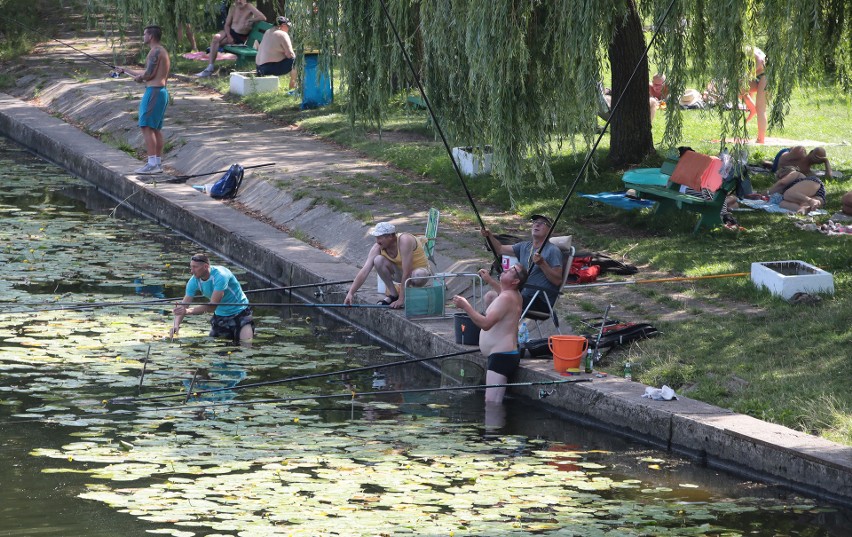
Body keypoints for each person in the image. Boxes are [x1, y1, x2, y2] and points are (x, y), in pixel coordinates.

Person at [451, 263, 528, 404]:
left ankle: (494, 427)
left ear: (515, 281)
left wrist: (466, 306)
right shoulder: (513, 295)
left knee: (492, 403)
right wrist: (490, 281)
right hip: (503, 355)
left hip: (502, 358)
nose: (506, 269)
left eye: (512, 270)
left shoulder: (506, 298)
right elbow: (503, 292)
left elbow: (486, 324)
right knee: (492, 403)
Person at [116, 26, 171, 175]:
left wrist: (140, 78)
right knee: (154, 128)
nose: (143, 36)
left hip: (154, 93)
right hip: (160, 92)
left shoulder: (155, 51)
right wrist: (125, 71)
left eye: (144, 33)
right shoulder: (161, 50)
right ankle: (157, 164)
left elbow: (148, 74)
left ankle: (152, 164)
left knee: (146, 126)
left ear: (151, 36)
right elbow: (149, 74)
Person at [480, 215, 563, 314]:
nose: (537, 224)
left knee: (493, 296)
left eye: (542, 223)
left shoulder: (552, 250)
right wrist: (489, 236)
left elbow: (557, 281)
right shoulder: (525, 246)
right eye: (535, 222)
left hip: (539, 301)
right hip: (522, 295)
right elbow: (499, 249)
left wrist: (542, 264)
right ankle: (492, 328)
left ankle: (490, 326)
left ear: (550, 231)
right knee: (490, 296)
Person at [343, 222, 432, 309]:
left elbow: (407, 271)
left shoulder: (405, 240)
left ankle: (409, 296)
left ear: (390, 236)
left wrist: (401, 300)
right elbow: (364, 271)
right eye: (376, 238)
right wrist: (351, 293)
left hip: (419, 273)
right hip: (400, 274)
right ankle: (394, 295)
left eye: (380, 238)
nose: (377, 242)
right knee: (378, 260)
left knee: (418, 274)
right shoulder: (377, 247)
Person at [170, 254, 254, 344]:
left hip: (241, 313)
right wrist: (176, 324)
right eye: (191, 267)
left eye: (195, 267)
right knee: (217, 353)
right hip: (220, 316)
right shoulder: (193, 281)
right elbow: (184, 305)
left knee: (246, 348)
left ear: (206, 266)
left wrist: (187, 311)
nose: (192, 271)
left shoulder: (220, 276)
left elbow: (212, 306)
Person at [196, 0, 266, 77]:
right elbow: (227, 25)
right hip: (230, 31)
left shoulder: (249, 6)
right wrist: (229, 36)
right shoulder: (233, 7)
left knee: (219, 43)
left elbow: (262, 17)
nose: (239, 1)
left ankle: (209, 69)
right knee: (216, 38)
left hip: (239, 36)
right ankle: (210, 67)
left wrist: (251, 20)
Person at [256, 16, 297, 90]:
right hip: (270, 69)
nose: (289, 29)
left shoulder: (268, 31)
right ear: (283, 26)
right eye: (288, 27)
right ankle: (293, 86)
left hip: (259, 68)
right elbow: (290, 55)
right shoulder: (282, 34)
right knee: (297, 60)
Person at [741, 46, 767, 143]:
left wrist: (749, 75)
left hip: (765, 75)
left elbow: (760, 61)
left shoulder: (746, 48)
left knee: (761, 108)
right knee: (736, 87)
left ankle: (761, 139)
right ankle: (752, 108)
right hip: (756, 75)